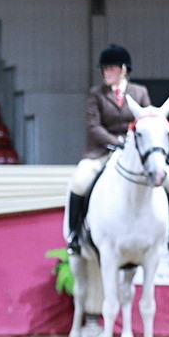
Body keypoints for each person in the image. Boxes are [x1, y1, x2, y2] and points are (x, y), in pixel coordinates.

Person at [65, 44, 152, 254]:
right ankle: (74, 235)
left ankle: (167, 235)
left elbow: (147, 122)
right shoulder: (96, 94)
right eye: (104, 69)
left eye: (111, 68)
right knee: (79, 182)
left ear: (124, 69)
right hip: (101, 151)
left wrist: (131, 144)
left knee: (167, 181)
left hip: (135, 154)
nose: (106, 72)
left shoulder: (140, 92)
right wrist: (118, 142)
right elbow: (93, 126)